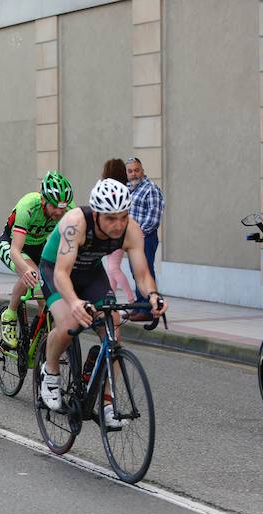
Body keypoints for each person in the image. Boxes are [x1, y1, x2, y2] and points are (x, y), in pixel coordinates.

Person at [38, 178, 167, 426]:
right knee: (67, 324)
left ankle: (107, 404)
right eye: (110, 218)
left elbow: (141, 274)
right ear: (96, 214)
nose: (118, 225)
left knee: (113, 332)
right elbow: (62, 274)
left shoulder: (131, 230)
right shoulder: (75, 224)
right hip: (56, 269)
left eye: (122, 216)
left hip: (90, 272)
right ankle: (50, 371)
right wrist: (75, 302)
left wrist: (152, 295)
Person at [0, 171, 74, 349]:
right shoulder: (28, 205)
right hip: (12, 245)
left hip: (39, 247)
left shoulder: (68, 210)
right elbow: (16, 251)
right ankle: (9, 314)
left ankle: (39, 342)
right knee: (32, 274)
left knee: (47, 301)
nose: (59, 212)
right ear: (43, 200)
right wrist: (25, 269)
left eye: (63, 207)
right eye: (55, 207)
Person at [125, 157, 165, 321]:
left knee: (145, 271)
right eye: (130, 171)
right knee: (136, 272)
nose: (134, 174)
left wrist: (138, 235)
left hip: (146, 238)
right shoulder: (128, 189)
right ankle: (140, 306)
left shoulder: (151, 189)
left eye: (136, 170)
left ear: (142, 170)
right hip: (131, 239)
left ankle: (149, 310)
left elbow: (154, 218)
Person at [102, 159, 135, 303]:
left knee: (113, 267)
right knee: (111, 268)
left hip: (113, 233)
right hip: (123, 230)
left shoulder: (110, 189)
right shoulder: (125, 189)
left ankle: (131, 298)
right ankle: (111, 299)